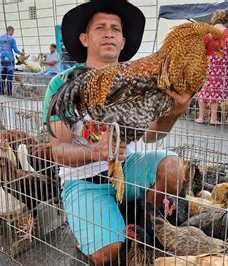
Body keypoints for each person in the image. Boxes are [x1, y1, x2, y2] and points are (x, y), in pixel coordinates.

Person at [42, 1, 190, 264]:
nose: (109, 32)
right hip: (84, 181)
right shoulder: (61, 83)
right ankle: (96, 223)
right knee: (107, 253)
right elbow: (58, 151)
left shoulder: (136, 80)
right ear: (85, 38)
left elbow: (152, 135)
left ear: (123, 41)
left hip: (127, 169)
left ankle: (140, 221)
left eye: (115, 29)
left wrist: (175, 111)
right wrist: (96, 151)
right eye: (100, 27)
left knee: (174, 168)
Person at [195, 10, 228, 125]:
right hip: (221, 68)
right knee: (216, 92)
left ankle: (200, 117)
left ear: (214, 18)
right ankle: (213, 119)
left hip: (207, 66)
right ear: (225, 18)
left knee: (204, 90)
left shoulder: (208, 32)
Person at [0, 26, 23, 95]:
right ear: (11, 31)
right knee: (9, 77)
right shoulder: (12, 39)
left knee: (2, 76)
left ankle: (1, 92)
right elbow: (15, 50)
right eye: (13, 32)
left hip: (2, 59)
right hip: (10, 60)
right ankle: (9, 93)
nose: (13, 33)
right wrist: (21, 53)